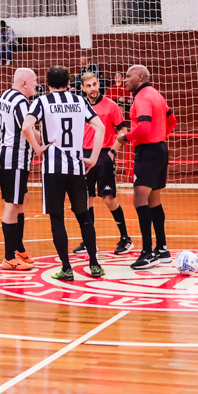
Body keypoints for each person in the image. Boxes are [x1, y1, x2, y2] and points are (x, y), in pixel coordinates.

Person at [22, 66, 106, 282]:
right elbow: (100, 127)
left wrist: (38, 148)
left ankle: (67, 268)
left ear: (47, 84)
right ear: (69, 83)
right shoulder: (80, 101)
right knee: (84, 217)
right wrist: (93, 157)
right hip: (77, 167)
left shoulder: (42, 102)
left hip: (53, 170)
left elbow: (26, 127)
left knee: (57, 218)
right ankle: (94, 264)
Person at [116, 65, 178, 270]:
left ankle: (148, 252)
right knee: (154, 200)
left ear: (140, 77)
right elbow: (172, 121)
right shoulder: (156, 95)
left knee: (140, 199)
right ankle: (162, 249)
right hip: (160, 149)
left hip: (148, 151)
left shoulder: (142, 98)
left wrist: (125, 138)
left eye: (128, 76)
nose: (125, 80)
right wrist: (159, 136)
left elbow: (143, 128)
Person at [73, 71, 133, 256]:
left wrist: (112, 151)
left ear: (98, 84)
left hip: (103, 155)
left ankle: (125, 238)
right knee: (86, 199)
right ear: (83, 88)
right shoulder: (79, 106)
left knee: (108, 198)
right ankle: (89, 241)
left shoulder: (111, 106)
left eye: (94, 84)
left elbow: (123, 130)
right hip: (84, 155)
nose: (93, 88)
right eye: (88, 86)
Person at [0, 68, 38, 271]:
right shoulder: (20, 102)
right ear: (24, 83)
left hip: (4, 155)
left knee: (22, 199)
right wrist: (40, 148)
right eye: (34, 81)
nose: (36, 85)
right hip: (15, 159)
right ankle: (9, 257)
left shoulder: (3, 96)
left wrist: (1, 144)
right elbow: (27, 129)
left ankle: (19, 248)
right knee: (13, 205)